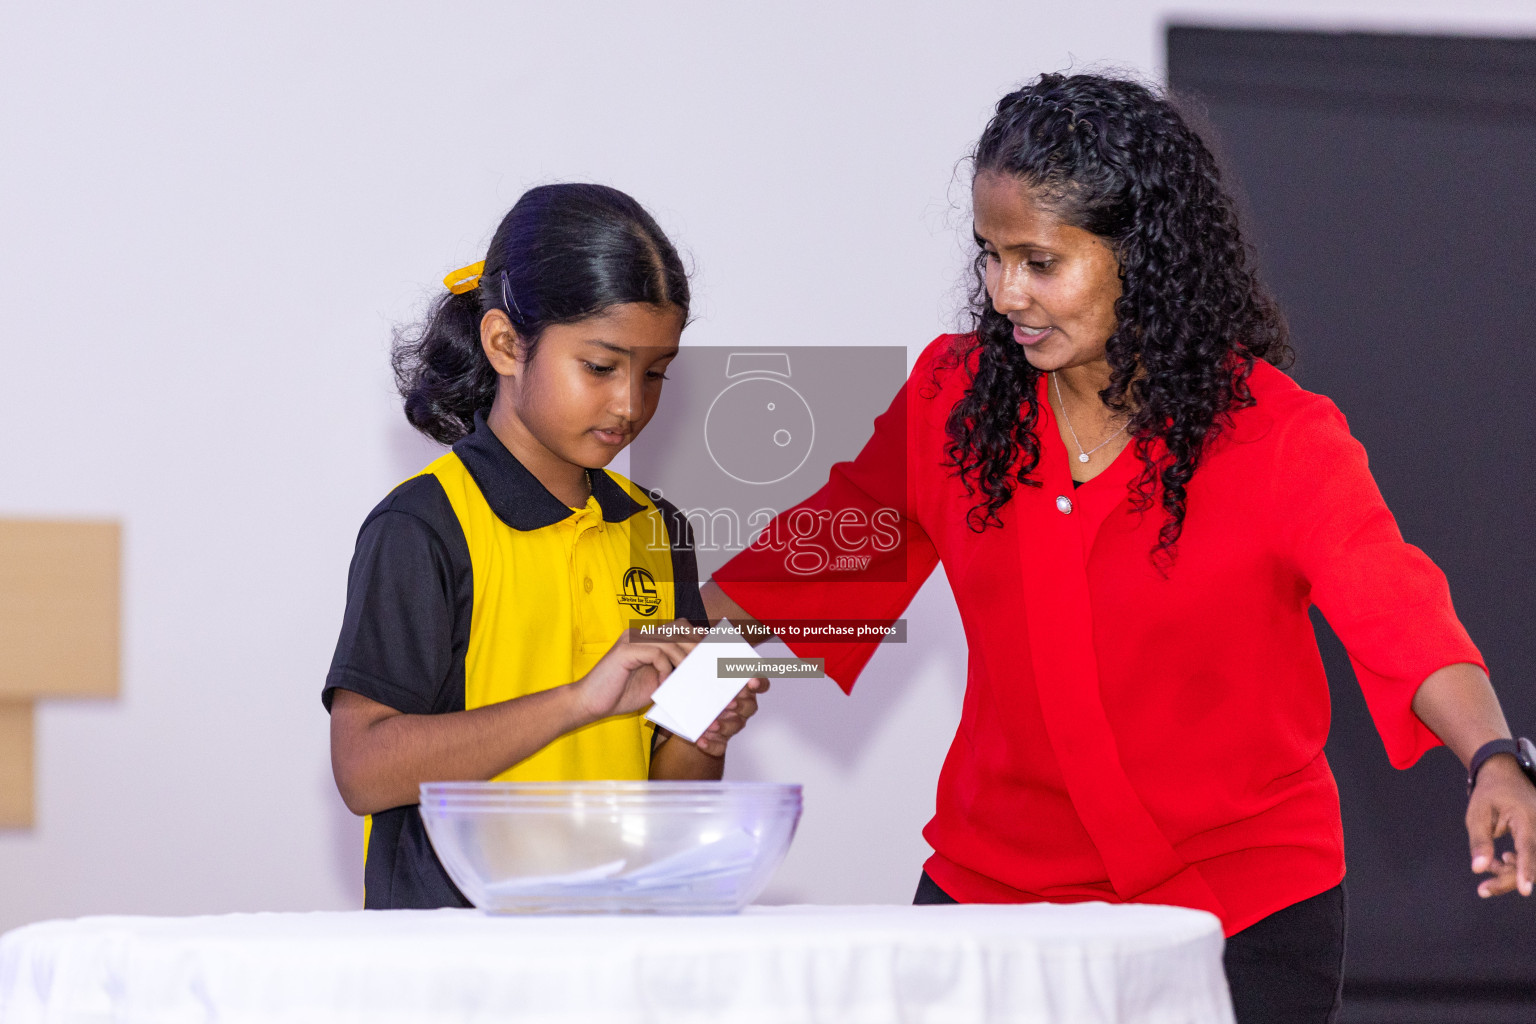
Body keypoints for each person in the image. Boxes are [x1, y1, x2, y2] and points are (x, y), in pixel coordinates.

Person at [699, 74, 1536, 1023]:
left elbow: (1402, 615)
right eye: (990, 255)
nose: (1006, 292)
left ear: (1145, 257)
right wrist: (676, 650)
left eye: (1041, 261)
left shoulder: (1277, 435)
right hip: (995, 902)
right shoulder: (954, 398)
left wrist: (1495, 758)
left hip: (1240, 916)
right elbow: (829, 551)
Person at [324, 183, 765, 909]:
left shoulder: (658, 531)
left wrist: (701, 732)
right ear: (505, 343)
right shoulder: (425, 525)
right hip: (454, 966)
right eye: (600, 367)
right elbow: (364, 769)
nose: (631, 403)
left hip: (610, 946)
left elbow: (669, 802)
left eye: (655, 373)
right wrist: (576, 703)